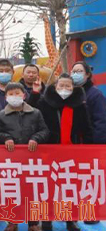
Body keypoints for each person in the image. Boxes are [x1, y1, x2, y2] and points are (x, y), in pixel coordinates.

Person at [0, 82, 49, 231]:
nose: (14, 96)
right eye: (11, 94)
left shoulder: (35, 113)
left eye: (17, 93)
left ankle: (33, 223)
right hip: (10, 161)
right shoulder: (0, 115)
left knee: (32, 191)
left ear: (24, 95)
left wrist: (36, 138)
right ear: (5, 97)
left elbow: (44, 130)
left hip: (32, 160)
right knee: (11, 191)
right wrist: (6, 138)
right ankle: (12, 221)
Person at [37, 73, 89, 231]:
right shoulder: (44, 103)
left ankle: (70, 220)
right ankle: (46, 220)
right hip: (48, 152)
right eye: (61, 85)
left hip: (71, 153)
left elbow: (86, 129)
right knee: (47, 188)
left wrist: (89, 150)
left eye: (68, 86)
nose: (64, 88)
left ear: (73, 88)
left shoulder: (79, 105)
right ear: (55, 86)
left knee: (70, 187)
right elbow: (35, 122)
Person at [71, 61, 106, 144]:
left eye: (79, 71)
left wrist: (98, 143)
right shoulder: (69, 93)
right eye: (73, 72)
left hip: (89, 141)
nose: (75, 74)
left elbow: (101, 121)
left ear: (87, 74)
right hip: (73, 141)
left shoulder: (95, 94)